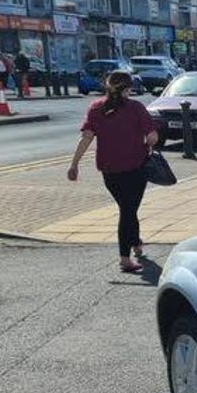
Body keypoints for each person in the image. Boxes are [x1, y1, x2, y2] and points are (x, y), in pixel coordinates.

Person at [66, 70, 159, 273]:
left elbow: (86, 138)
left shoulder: (96, 108)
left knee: (127, 208)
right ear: (128, 88)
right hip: (136, 167)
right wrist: (146, 145)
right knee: (128, 210)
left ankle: (136, 243)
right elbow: (152, 137)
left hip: (109, 170)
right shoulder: (135, 107)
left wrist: (74, 164)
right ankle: (125, 258)